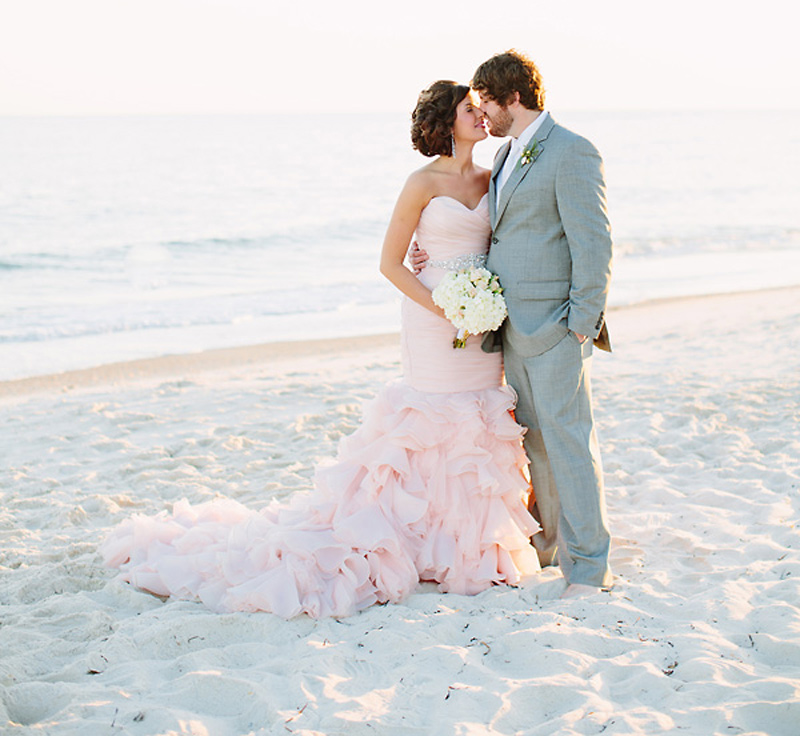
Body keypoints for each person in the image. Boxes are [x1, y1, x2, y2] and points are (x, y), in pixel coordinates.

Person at [102, 81, 540, 619]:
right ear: (447, 124)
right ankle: (408, 538)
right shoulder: (421, 182)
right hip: (435, 320)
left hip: (484, 320)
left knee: (476, 423)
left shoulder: (493, 174)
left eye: (480, 107)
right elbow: (390, 263)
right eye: (469, 109)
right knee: (430, 422)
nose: (480, 115)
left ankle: (456, 545)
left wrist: (484, 302)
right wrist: (444, 307)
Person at [412, 51, 613, 595]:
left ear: (512, 99)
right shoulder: (506, 156)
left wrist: (580, 322)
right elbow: (495, 233)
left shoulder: (571, 151)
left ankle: (591, 566)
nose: (482, 115)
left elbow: (593, 243)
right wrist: (430, 254)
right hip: (509, 330)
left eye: (486, 104)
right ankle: (550, 550)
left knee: (570, 443)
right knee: (537, 447)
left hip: (556, 328)